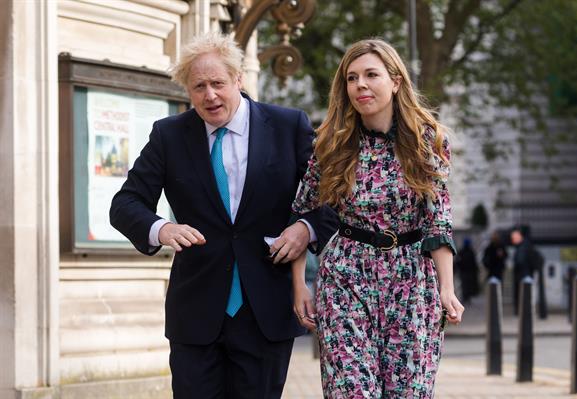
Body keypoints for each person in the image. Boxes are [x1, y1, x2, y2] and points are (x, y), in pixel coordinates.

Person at [109, 32, 337, 398]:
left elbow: (334, 199)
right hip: (196, 312)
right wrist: (162, 228)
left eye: (217, 83)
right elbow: (124, 204)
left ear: (238, 79)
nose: (210, 95)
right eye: (199, 86)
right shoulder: (168, 135)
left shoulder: (288, 126)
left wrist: (305, 229)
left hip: (265, 309)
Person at [290, 39, 464, 398]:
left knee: (408, 392)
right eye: (352, 78)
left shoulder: (427, 140)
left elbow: (438, 220)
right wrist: (298, 284)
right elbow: (301, 212)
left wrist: (446, 289)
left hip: (412, 280)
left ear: (396, 81)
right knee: (351, 391)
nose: (361, 85)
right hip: (346, 277)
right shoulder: (332, 143)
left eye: (371, 75)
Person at [510, 225, 543, 315]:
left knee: (523, 295)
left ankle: (523, 312)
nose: (512, 238)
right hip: (525, 274)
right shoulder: (526, 245)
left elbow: (520, 261)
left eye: (514, 236)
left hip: (523, 275)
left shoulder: (523, 247)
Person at [454, 238, 480, 305]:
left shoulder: (463, 251)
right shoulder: (470, 251)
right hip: (467, 271)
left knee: (465, 285)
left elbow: (458, 261)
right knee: (467, 284)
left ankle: (466, 297)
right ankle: (466, 297)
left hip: (465, 271)